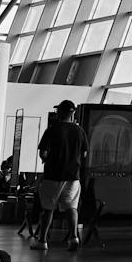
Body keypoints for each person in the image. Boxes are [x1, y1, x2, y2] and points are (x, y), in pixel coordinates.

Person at [31, 100, 88, 252]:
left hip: (53, 175)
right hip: (73, 176)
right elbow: (84, 153)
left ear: (60, 113)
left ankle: (42, 241)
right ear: (73, 113)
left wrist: (47, 160)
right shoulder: (80, 131)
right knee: (71, 207)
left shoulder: (52, 129)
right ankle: (74, 237)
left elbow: (43, 152)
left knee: (48, 208)